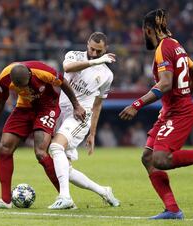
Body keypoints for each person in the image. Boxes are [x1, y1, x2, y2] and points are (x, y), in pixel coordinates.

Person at [119, 9, 193, 220]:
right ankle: (173, 210)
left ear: (148, 29)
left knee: (161, 159)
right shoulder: (176, 45)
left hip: (179, 112)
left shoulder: (162, 49)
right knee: (147, 158)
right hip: (172, 109)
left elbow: (164, 84)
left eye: (144, 31)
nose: (144, 35)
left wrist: (136, 104)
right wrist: (181, 95)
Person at [0, 61, 85, 209]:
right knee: (4, 148)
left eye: (25, 84)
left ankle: (65, 198)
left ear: (30, 75)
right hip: (24, 108)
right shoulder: (4, 78)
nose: (24, 88)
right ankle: (5, 200)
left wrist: (77, 105)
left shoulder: (43, 71)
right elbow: (0, 101)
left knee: (41, 152)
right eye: (20, 87)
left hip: (47, 107)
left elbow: (64, 83)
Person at [48, 32, 120, 209]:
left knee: (55, 147)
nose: (94, 53)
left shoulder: (107, 75)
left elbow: (97, 105)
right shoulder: (73, 55)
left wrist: (92, 133)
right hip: (62, 115)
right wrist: (95, 61)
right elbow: (67, 67)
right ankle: (104, 191)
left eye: (99, 51)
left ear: (106, 49)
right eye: (92, 49)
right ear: (87, 43)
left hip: (80, 117)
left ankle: (65, 197)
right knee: (66, 168)